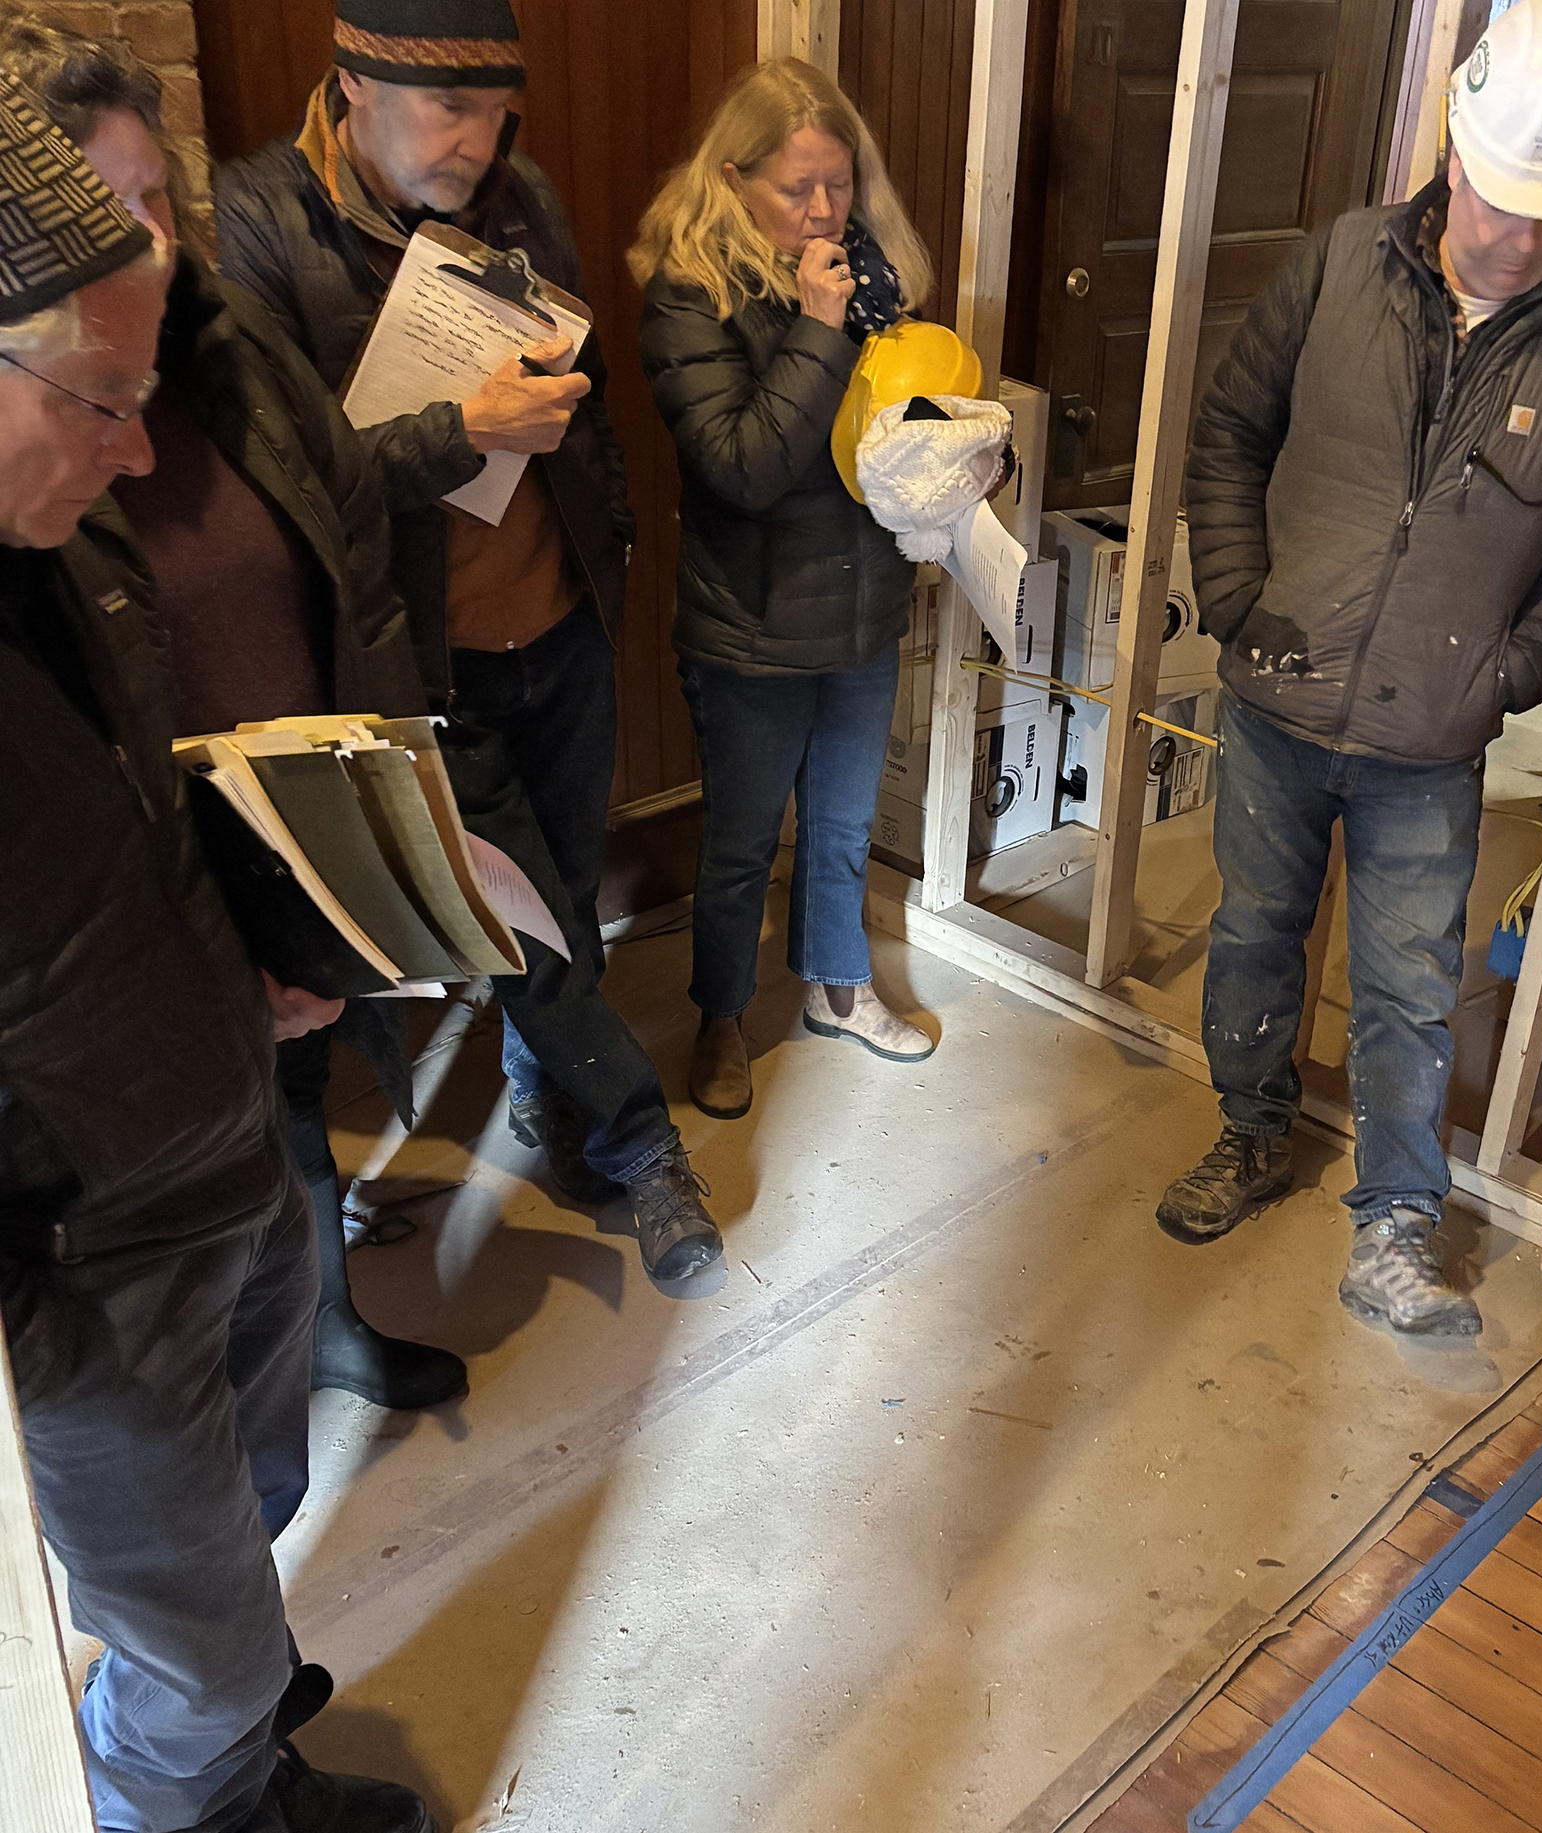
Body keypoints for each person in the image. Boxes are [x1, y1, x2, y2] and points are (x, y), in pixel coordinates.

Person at [0, 72, 440, 1833]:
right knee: (184, 1648)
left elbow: (140, 826)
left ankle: (248, 1770)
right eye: (104, 400)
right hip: (85, 1262)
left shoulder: (57, 544)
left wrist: (250, 965)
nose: (135, 450)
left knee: (240, 1558)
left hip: (224, 1150)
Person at [1158, 0, 1542, 1335]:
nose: (1522, 237)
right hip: (1279, 696)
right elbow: (1227, 440)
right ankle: (1250, 1133)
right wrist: (1232, 598)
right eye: (1505, 201)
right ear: (1456, 154)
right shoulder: (1337, 264)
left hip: (1433, 733)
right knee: (1254, 934)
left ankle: (1394, 1223)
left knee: (1406, 979)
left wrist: (1513, 670)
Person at [215, 0, 721, 1283]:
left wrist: (600, 521)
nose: (479, 145)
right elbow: (284, 492)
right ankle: (643, 1149)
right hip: (419, 661)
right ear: (350, 86)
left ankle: (549, 1094)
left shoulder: (519, 193)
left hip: (561, 618)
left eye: (499, 115)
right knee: (529, 925)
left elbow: (586, 393)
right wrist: (458, 431)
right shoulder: (260, 224)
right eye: (449, 109)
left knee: (565, 892)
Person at [630, 57, 938, 1122]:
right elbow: (746, 468)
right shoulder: (687, 295)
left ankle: (837, 989)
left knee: (844, 826)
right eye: (794, 187)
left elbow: (901, 430)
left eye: (839, 185)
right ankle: (719, 1015)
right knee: (741, 839)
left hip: (860, 605)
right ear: (732, 179)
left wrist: (965, 459)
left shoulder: (873, 282)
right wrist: (815, 325)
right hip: (749, 625)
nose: (822, 210)